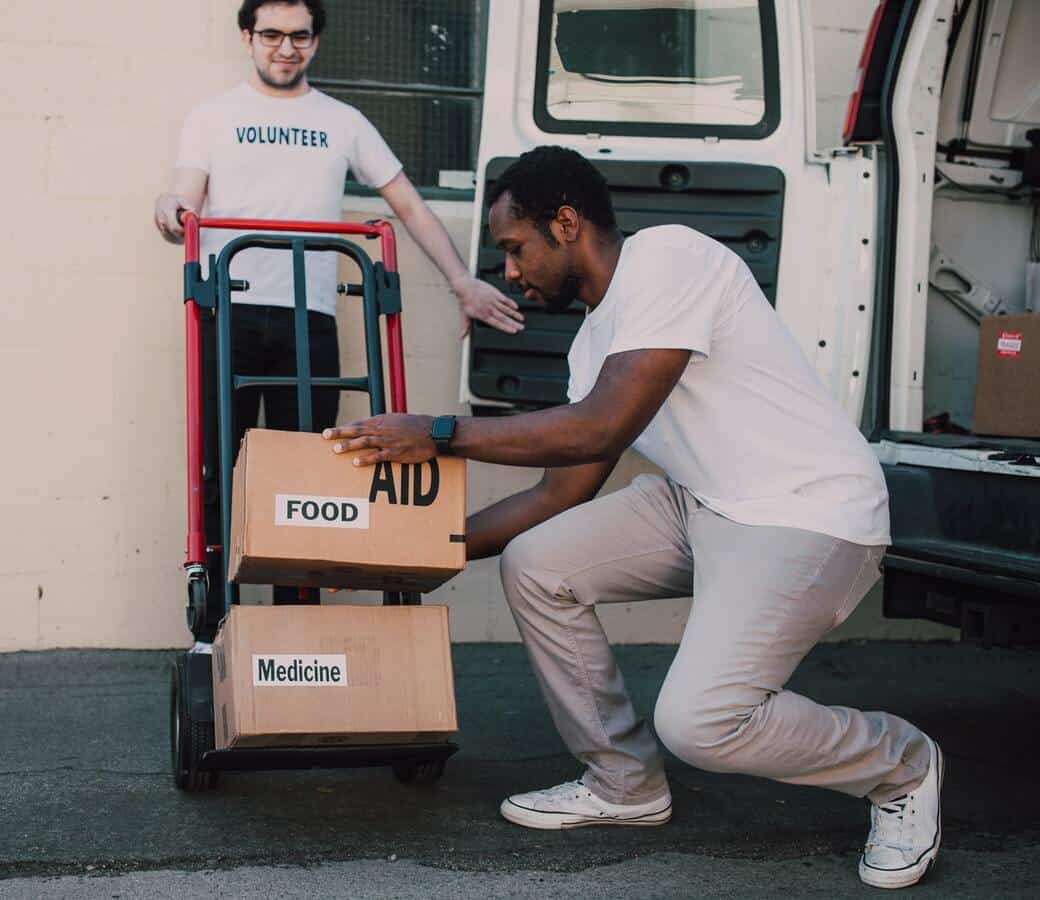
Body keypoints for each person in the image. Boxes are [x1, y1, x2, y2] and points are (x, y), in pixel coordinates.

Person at [323, 146, 943, 890]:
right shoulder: (593, 345)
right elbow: (556, 497)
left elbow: (600, 428)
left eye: (516, 250)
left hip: (807, 512)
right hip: (703, 500)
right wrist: (425, 549)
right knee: (538, 561)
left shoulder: (669, 259)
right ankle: (625, 784)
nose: (511, 273)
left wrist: (441, 431)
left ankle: (902, 764)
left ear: (565, 221)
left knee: (703, 724)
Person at [153, 0, 523, 604]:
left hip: (310, 319)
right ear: (248, 37)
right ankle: (219, 630)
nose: (285, 48)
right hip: (229, 312)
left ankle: (295, 623)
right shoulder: (214, 115)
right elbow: (182, 195)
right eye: (271, 34)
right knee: (222, 470)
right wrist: (169, 210)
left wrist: (463, 281)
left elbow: (406, 203)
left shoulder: (341, 120)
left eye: (299, 36)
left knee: (306, 475)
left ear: (315, 42)